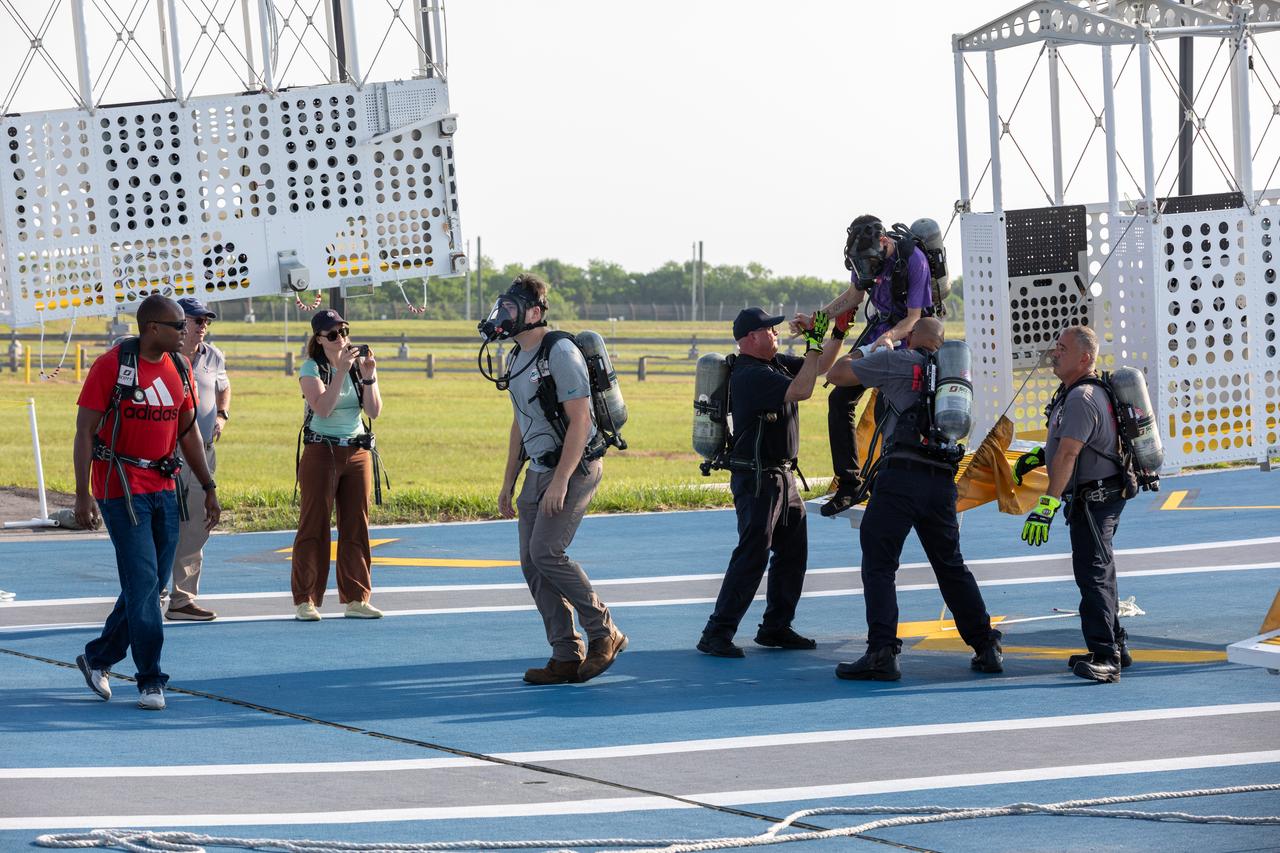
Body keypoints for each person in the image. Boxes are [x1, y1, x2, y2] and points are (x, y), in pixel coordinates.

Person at [825, 317, 1003, 681]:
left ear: (914, 336)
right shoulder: (958, 383)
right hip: (940, 482)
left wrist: (877, 346)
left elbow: (838, 374)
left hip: (900, 477)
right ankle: (986, 645)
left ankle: (882, 652)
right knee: (950, 565)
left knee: (879, 563)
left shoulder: (898, 361)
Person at [73, 294, 221, 711]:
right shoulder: (111, 367)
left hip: (164, 487)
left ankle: (97, 657)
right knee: (143, 585)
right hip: (120, 489)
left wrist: (208, 486)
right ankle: (150, 679)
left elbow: (188, 430)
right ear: (153, 328)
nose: (186, 331)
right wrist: (83, 497)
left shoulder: (180, 367)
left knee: (151, 585)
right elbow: (84, 431)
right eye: (178, 326)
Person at [486, 274, 627, 685]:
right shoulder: (514, 358)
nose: (503, 315)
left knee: (547, 551)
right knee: (531, 562)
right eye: (503, 307)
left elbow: (580, 420)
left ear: (534, 312)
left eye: (512, 308)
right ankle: (565, 653)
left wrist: (563, 480)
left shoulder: (560, 351)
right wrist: (508, 481)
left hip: (575, 466)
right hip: (540, 468)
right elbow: (521, 424)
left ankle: (605, 632)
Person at [697, 307, 840, 658]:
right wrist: (812, 342)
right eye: (770, 330)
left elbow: (820, 368)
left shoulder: (772, 364)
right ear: (749, 339)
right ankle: (716, 632)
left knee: (792, 553)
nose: (776, 334)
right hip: (758, 477)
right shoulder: (749, 374)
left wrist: (834, 334)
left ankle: (776, 626)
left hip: (781, 475)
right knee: (753, 553)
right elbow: (803, 390)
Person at [797, 215, 935, 517]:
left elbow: (913, 317)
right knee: (839, 397)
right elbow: (853, 296)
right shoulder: (864, 256)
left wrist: (887, 339)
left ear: (884, 241)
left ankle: (893, 479)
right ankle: (849, 484)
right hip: (879, 333)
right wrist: (816, 319)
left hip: (907, 336)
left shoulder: (914, 260)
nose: (867, 268)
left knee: (892, 405)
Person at [1018, 325, 1131, 684]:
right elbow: (1067, 445)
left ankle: (1106, 658)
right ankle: (1116, 644)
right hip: (1094, 496)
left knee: (1093, 574)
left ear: (1084, 358)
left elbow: (1069, 453)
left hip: (1095, 499)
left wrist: (1047, 505)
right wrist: (1039, 455)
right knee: (1100, 569)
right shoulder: (1076, 393)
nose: (1054, 352)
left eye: (1062, 348)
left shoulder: (1081, 398)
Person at [291, 308, 384, 621]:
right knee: (314, 524)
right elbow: (323, 408)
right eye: (332, 334)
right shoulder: (310, 368)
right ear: (319, 339)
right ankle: (306, 600)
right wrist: (341, 371)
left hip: (356, 451)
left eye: (344, 331)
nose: (341, 338)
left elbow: (374, 411)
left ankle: (357, 597)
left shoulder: (357, 366)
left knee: (356, 523)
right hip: (322, 451)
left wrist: (368, 375)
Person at [165, 296, 230, 622]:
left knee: (196, 527)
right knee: (160, 525)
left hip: (203, 452)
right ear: (180, 321)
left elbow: (223, 387)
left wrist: (222, 414)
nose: (203, 326)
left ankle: (182, 599)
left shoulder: (214, 356)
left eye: (206, 321)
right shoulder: (162, 355)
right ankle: (154, 593)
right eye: (197, 320)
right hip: (166, 453)